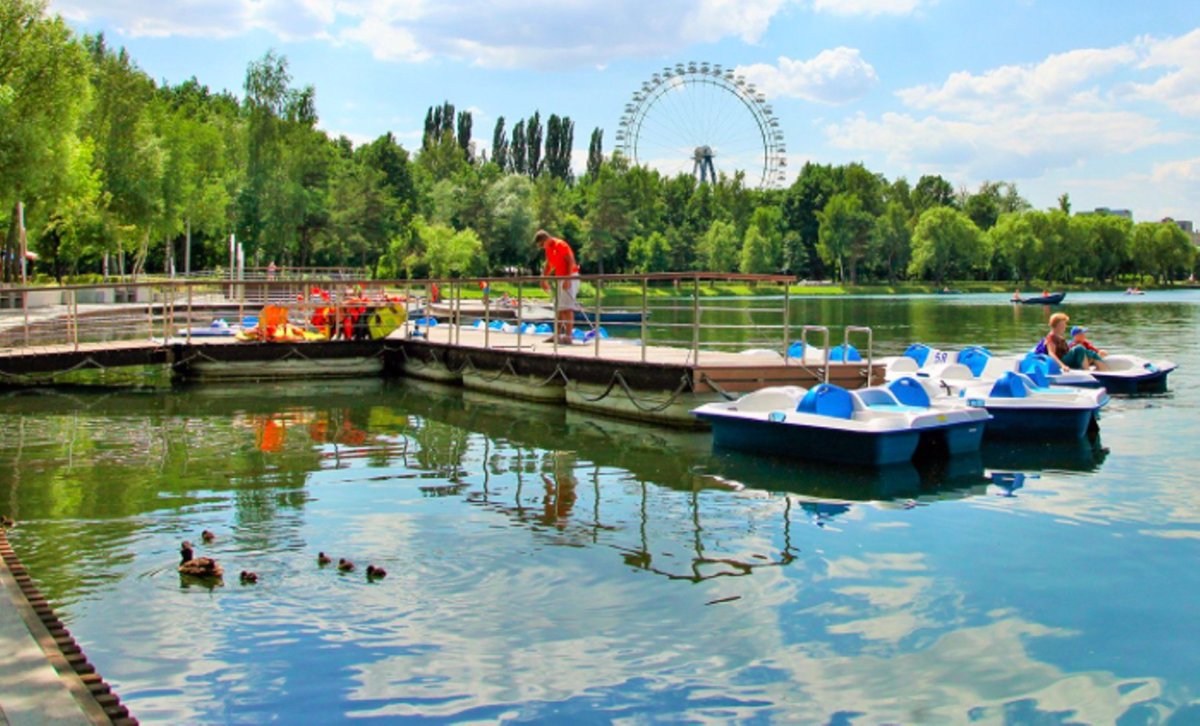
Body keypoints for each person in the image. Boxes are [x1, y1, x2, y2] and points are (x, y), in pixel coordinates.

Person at [535, 229, 579, 344]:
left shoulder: (560, 245)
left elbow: (570, 261)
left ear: (546, 239)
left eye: (542, 245)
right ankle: (557, 335)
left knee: (567, 308)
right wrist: (544, 278)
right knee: (559, 308)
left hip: (570, 276)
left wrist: (568, 279)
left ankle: (568, 336)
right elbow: (549, 264)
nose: (542, 247)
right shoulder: (549, 249)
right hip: (560, 278)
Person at [1041, 313, 1107, 371]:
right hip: (1062, 361)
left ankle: (1105, 372)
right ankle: (1087, 371)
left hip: (1067, 359)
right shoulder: (1051, 337)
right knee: (1079, 348)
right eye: (1064, 324)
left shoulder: (1060, 336)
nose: (1065, 326)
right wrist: (1062, 366)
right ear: (1058, 325)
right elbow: (1051, 353)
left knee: (1091, 353)